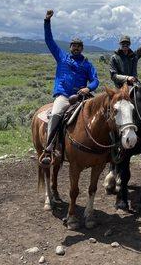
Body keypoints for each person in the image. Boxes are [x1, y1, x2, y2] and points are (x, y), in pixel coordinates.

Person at [42, 9, 99, 165]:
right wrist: (47, 21)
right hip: (64, 95)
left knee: (101, 114)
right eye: (74, 45)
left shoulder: (87, 64)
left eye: (79, 46)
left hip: (82, 97)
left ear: (82, 48)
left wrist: (88, 89)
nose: (76, 48)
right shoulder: (61, 57)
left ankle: (103, 148)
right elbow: (49, 41)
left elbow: (95, 80)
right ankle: (49, 148)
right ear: (70, 47)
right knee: (56, 114)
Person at [109, 19, 141, 88]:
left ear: (130, 44)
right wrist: (127, 78)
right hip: (121, 87)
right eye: (123, 43)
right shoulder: (114, 58)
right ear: (120, 44)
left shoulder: (134, 56)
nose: (125, 45)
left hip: (135, 85)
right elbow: (113, 76)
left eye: (127, 43)